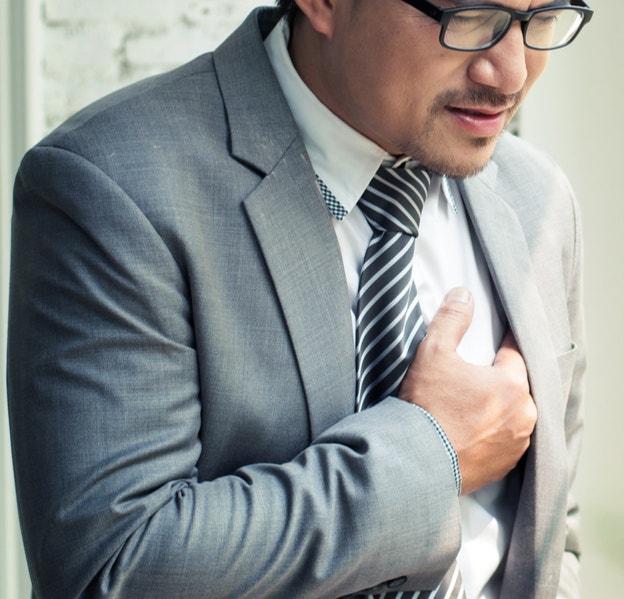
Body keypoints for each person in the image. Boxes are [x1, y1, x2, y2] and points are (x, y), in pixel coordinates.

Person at [5, 0, 590, 596]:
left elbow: (549, 525)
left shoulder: (537, 197)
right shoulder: (112, 188)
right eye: (468, 15)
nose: (511, 73)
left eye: (542, 18)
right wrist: (432, 452)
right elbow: (113, 572)